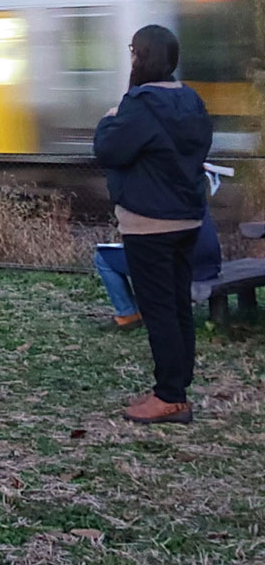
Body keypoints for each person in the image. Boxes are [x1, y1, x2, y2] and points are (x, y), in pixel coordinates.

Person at [93, 24, 211, 425]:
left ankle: (169, 397)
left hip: (149, 224)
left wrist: (111, 118)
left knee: (159, 310)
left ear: (141, 57)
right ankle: (175, 388)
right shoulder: (191, 100)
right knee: (177, 307)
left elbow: (109, 150)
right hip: (188, 219)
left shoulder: (140, 105)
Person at [94, 209, 222, 330]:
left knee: (103, 258)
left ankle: (127, 314)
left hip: (180, 270)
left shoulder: (157, 197)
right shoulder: (192, 190)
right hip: (209, 268)